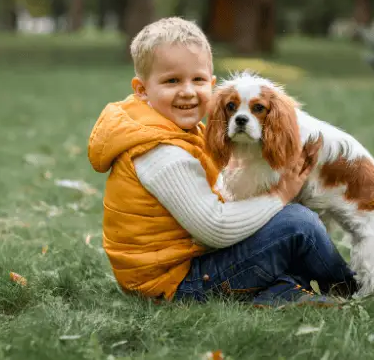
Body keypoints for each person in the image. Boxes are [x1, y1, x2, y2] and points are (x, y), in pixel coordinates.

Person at [88, 17, 357, 307]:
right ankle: (352, 290)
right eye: (172, 81)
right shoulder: (162, 153)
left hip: (169, 272)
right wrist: (281, 194)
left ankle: (280, 294)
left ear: (212, 85)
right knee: (297, 224)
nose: (188, 91)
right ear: (142, 89)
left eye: (198, 80)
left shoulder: (159, 128)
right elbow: (215, 227)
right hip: (177, 284)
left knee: (274, 235)